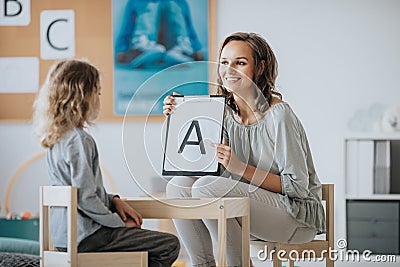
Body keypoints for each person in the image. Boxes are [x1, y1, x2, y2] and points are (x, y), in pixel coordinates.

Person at [163, 32, 326, 267]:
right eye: (224, 62)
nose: (229, 70)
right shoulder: (225, 114)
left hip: (294, 216)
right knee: (177, 186)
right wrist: (181, 114)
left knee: (205, 187)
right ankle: (203, 265)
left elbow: (298, 187)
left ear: (260, 68)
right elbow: (207, 168)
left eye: (240, 63)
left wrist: (240, 168)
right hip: (247, 213)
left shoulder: (279, 116)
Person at [33, 59, 180, 267]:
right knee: (169, 244)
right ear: (84, 96)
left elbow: (78, 191)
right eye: (98, 92)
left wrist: (113, 200)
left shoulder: (56, 138)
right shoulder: (80, 140)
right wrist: (118, 224)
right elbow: (85, 198)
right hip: (88, 236)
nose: (99, 99)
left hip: (64, 238)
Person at [115, 0, 204, 68]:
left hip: (169, 43)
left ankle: (180, 49)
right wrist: (122, 48)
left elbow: (188, 26)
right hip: (152, 43)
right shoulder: (136, 2)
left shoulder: (180, 2)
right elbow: (128, 27)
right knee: (149, 6)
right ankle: (142, 49)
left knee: (173, 5)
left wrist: (196, 47)